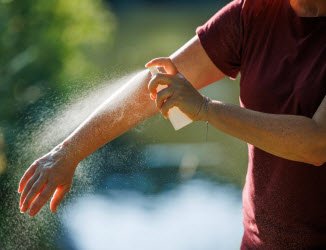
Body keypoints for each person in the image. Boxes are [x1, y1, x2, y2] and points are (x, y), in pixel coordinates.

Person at [18, 0, 325, 248]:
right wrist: (68, 152)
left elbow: (317, 142)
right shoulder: (252, 13)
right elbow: (156, 85)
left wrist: (205, 109)